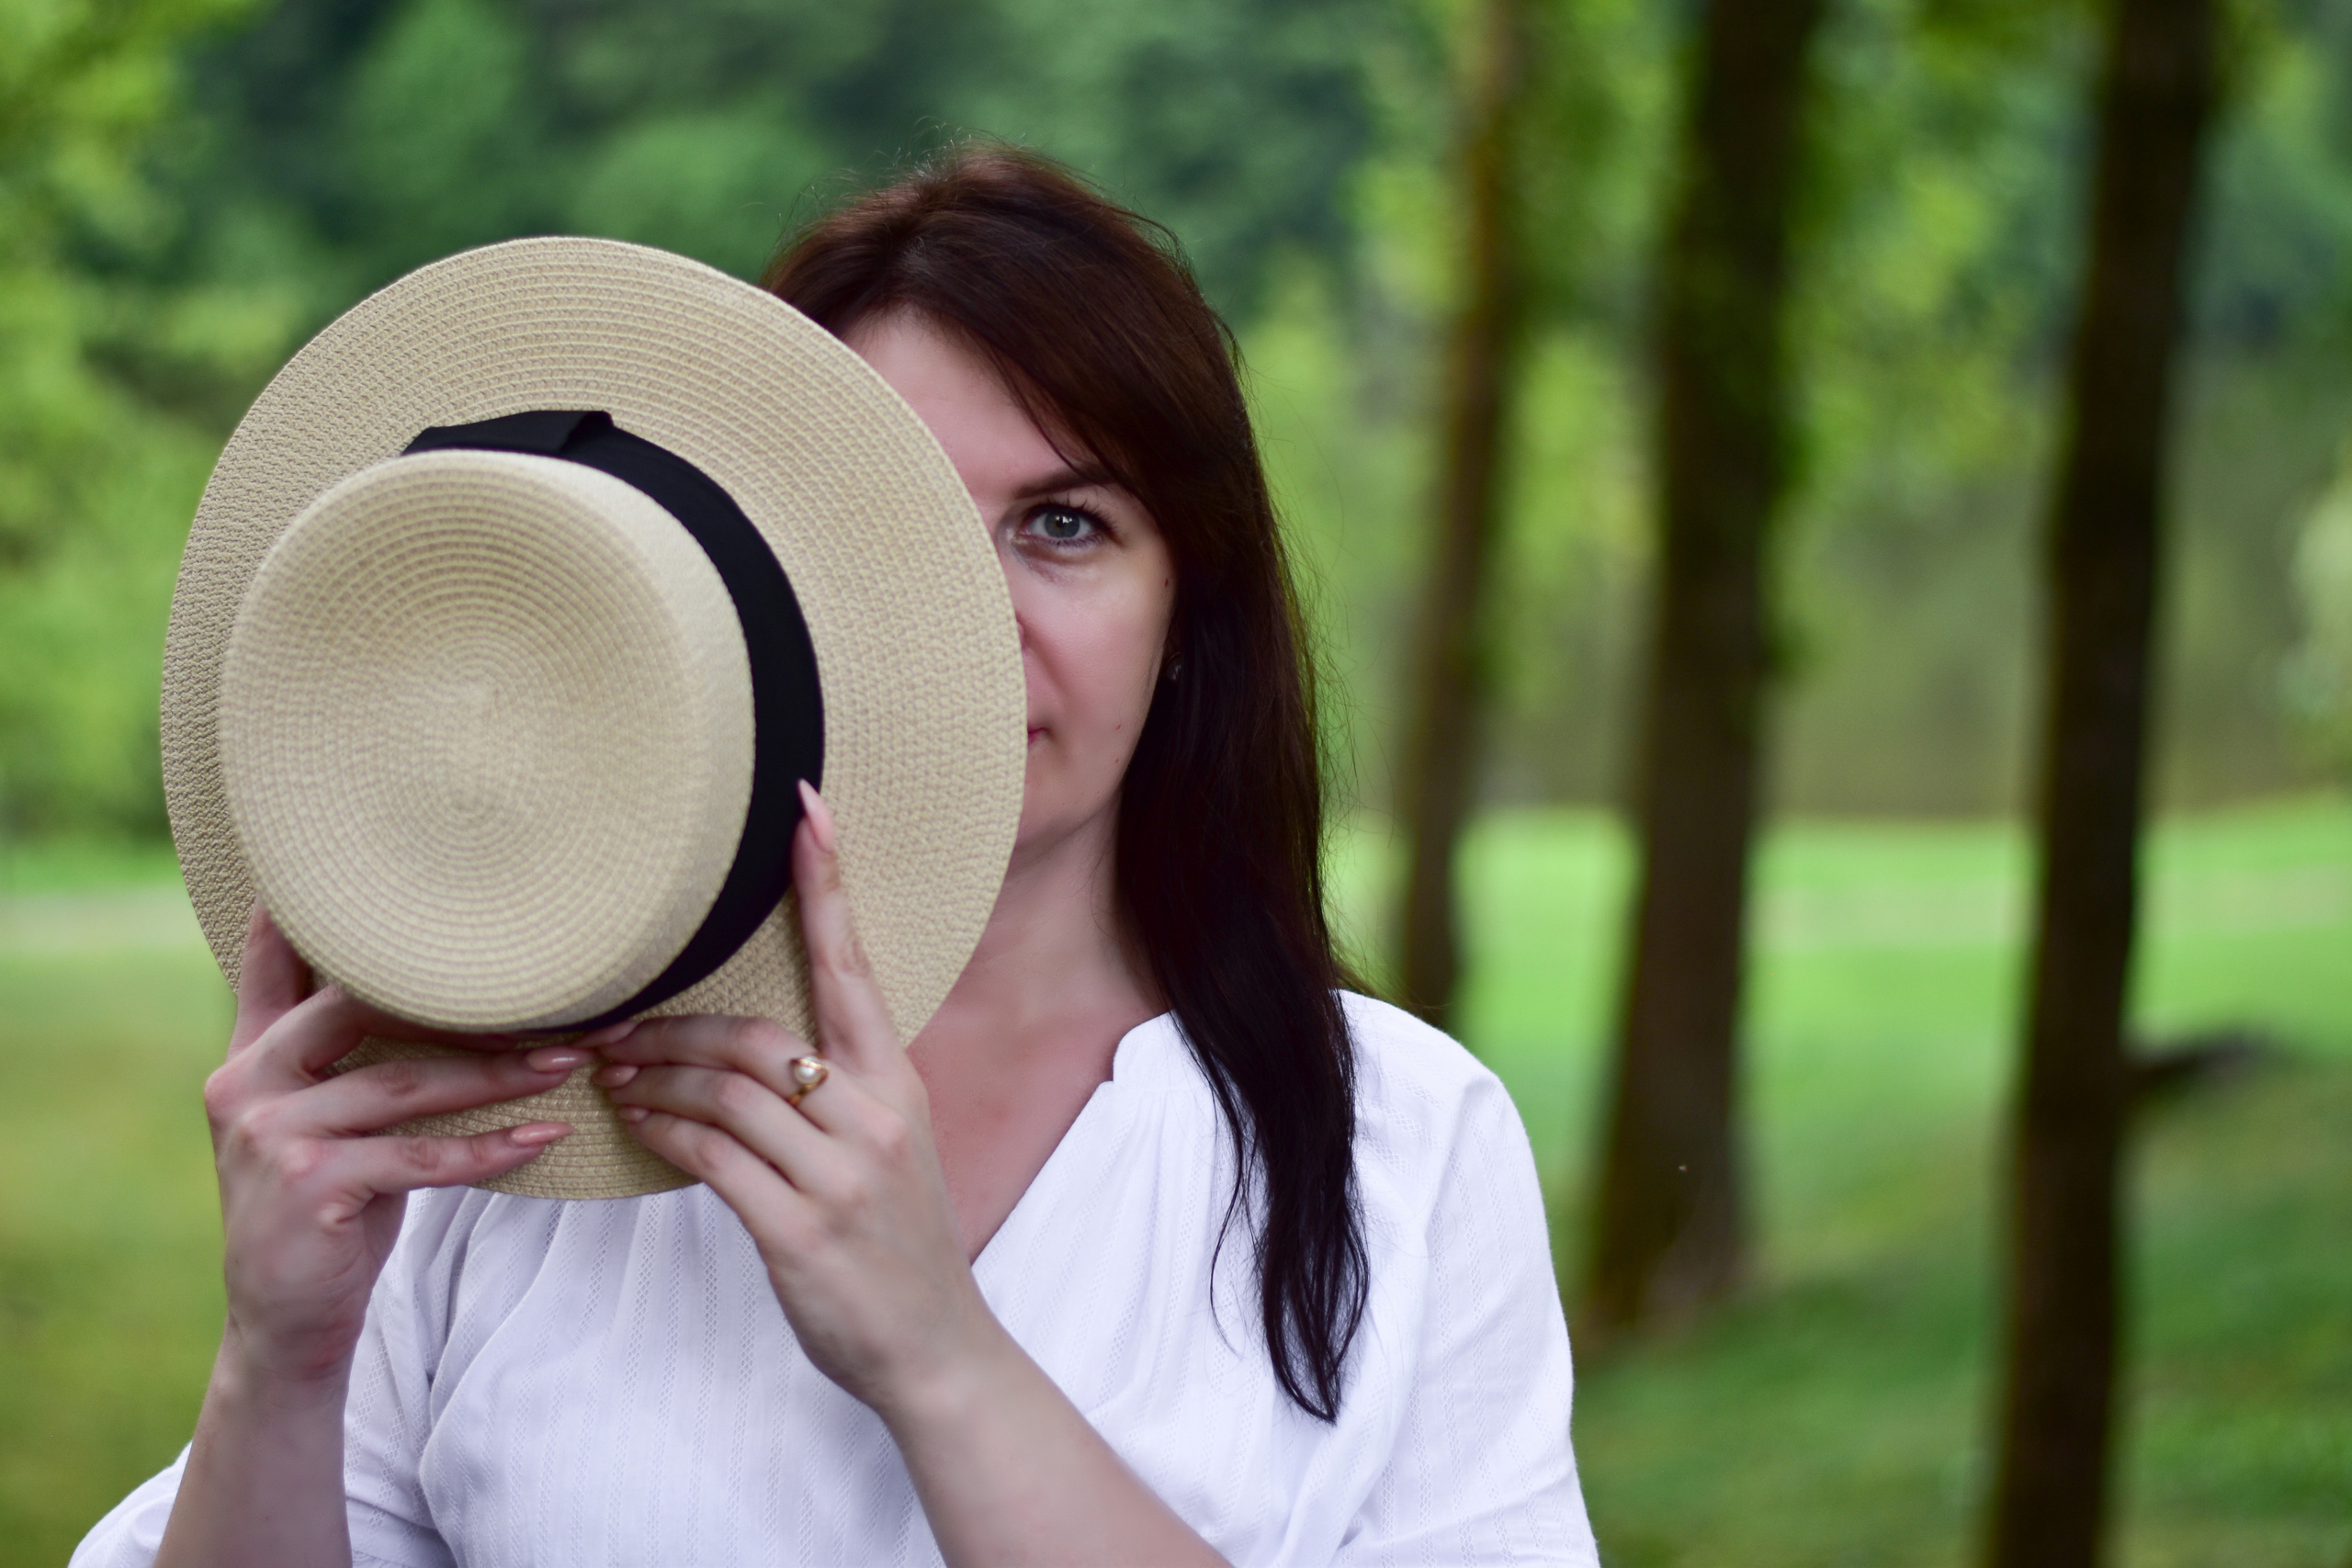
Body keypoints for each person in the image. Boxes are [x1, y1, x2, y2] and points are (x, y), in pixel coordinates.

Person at [76, 146, 1599, 1567]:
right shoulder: (499, 1110)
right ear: (739, 584)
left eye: (1061, 525)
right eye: (899, 524)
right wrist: (280, 1360)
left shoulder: (1399, 1146)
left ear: (1188, 614)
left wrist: (936, 1349)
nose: (969, 618)